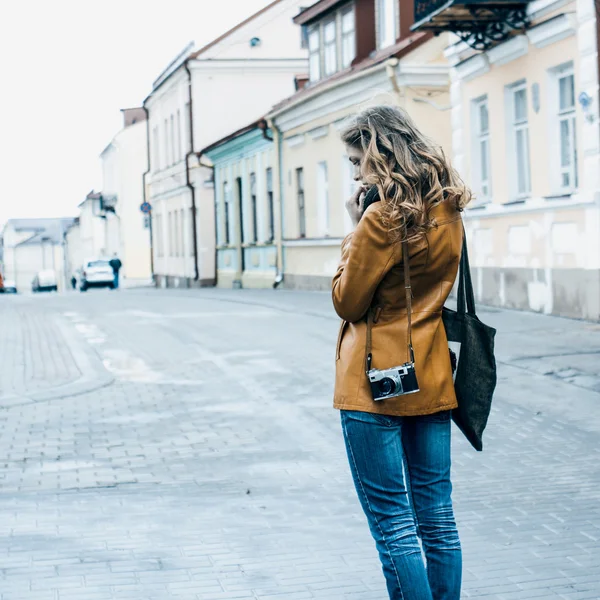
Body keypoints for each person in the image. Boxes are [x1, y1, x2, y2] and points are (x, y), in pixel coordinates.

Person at [333, 105, 471, 600]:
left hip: (373, 383)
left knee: (394, 523)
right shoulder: (448, 206)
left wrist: (354, 229)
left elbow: (347, 300)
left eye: (356, 161)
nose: (354, 173)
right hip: (431, 373)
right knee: (437, 515)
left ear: (378, 153)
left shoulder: (380, 217)